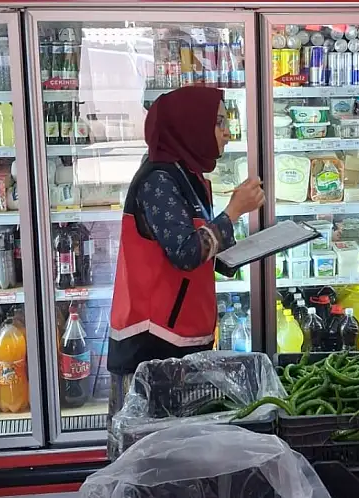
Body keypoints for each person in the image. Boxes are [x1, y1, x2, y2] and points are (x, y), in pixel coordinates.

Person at [106, 87, 264, 457]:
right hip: (151, 343)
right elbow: (185, 252)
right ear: (191, 126)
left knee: (177, 459)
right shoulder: (158, 180)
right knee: (150, 461)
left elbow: (195, 247)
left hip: (178, 337)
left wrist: (229, 251)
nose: (227, 131)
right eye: (220, 122)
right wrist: (234, 213)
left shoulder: (186, 174)